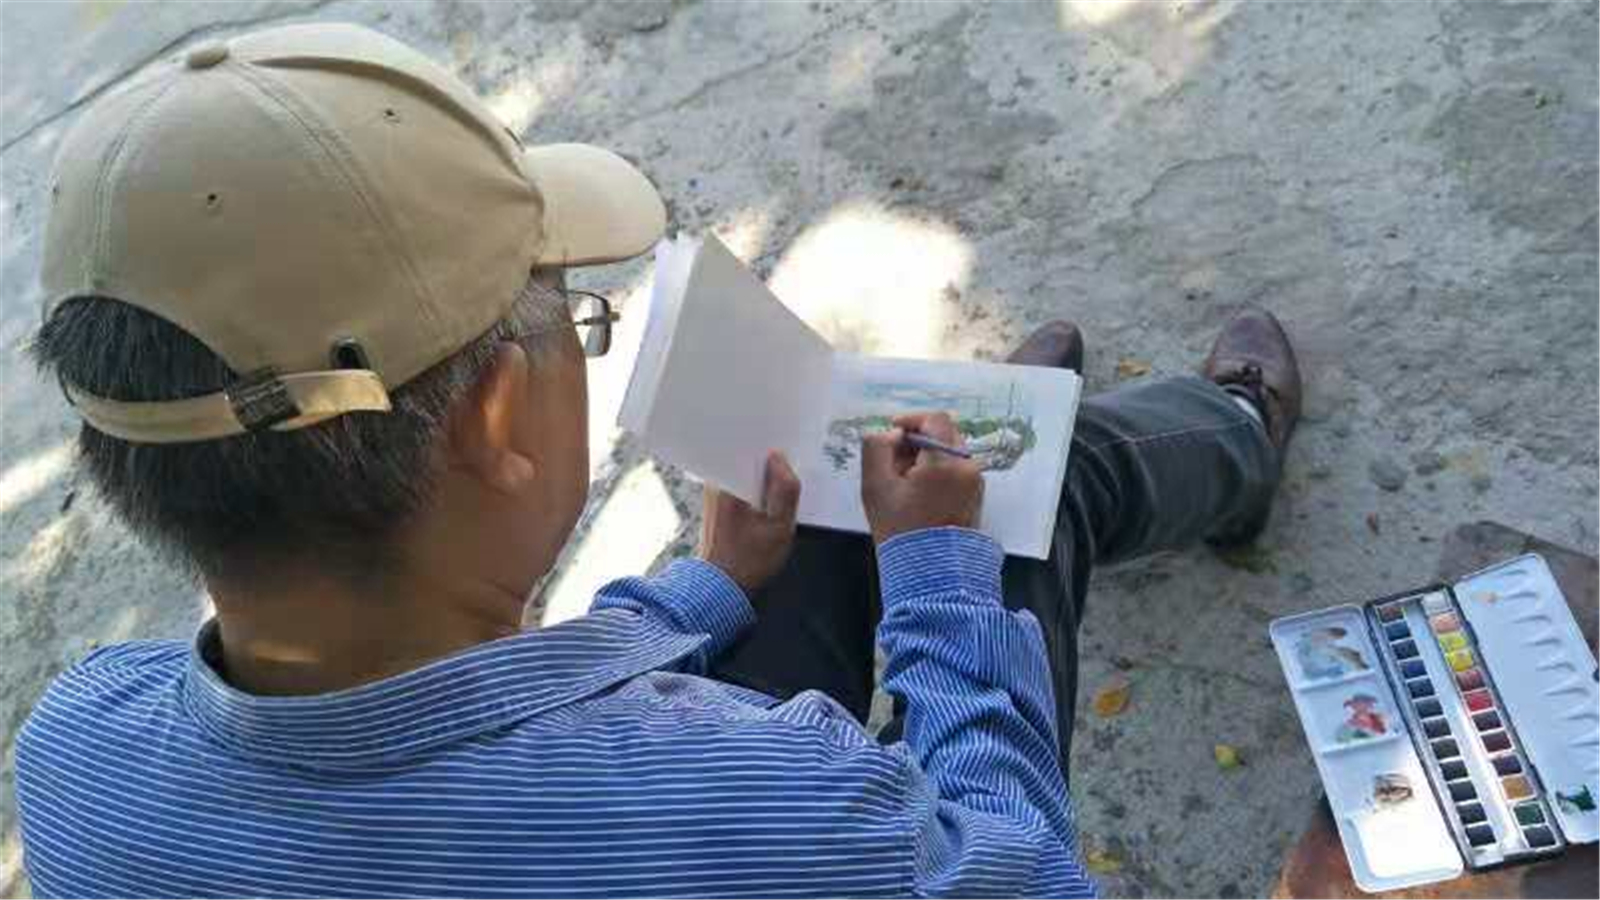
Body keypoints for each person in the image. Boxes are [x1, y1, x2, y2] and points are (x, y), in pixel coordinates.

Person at [15, 22, 1301, 899]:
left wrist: (699, 592)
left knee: (835, 507)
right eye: (572, 315)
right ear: (498, 421)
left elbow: (451, 711)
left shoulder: (79, 751)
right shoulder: (767, 802)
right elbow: (1019, 871)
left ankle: (1009, 448)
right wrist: (942, 581)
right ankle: (1221, 436)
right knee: (1026, 507)